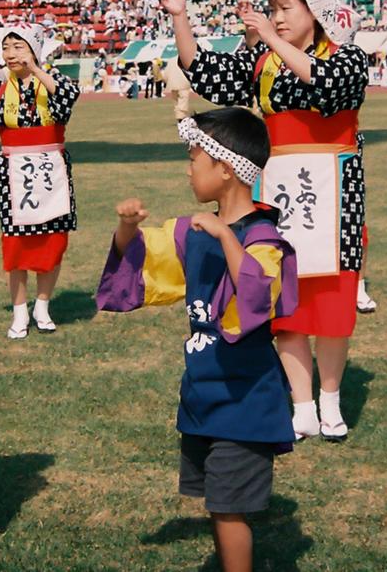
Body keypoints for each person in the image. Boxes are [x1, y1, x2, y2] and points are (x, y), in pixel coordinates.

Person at [162, 0, 369, 442]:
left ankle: (331, 400)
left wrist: (271, 39)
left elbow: (326, 83)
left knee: (334, 299)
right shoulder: (264, 61)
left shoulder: (348, 58)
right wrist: (182, 18)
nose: (275, 17)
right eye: (272, 9)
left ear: (314, 13)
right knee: (282, 293)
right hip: (278, 188)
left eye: (285, 8)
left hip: (335, 192)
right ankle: (302, 404)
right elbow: (208, 73)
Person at [97, 108, 298, 572]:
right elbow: (145, 267)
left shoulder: (263, 236)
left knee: (229, 507)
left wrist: (228, 237)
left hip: (245, 398)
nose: (189, 169)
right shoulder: (194, 230)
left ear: (225, 169)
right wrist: (127, 228)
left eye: (194, 158)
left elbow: (256, 298)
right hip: (204, 390)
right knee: (217, 501)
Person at [0, 25, 79, 339]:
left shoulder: (53, 82)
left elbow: (67, 100)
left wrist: (36, 68)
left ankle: (43, 304)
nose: (11, 54)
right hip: (15, 174)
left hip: (51, 173)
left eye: (18, 47)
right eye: (7, 47)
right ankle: (20, 311)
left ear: (35, 50)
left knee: (54, 238)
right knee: (16, 243)